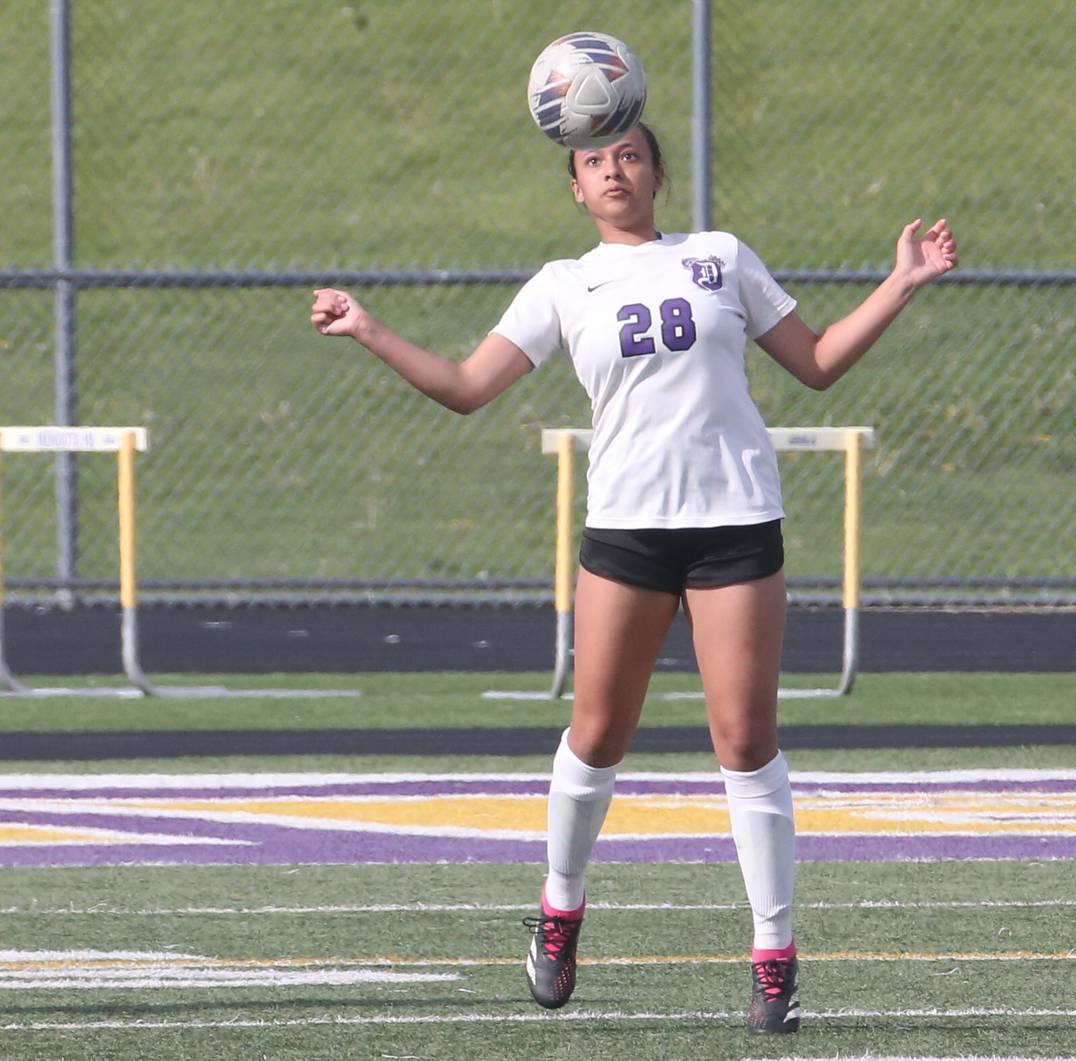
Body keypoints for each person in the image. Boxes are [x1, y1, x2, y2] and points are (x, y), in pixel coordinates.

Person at [310, 122, 956, 1035]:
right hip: (628, 533)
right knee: (597, 733)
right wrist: (367, 327)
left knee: (745, 741)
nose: (613, 171)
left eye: (628, 156)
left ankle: (775, 958)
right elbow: (464, 386)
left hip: (734, 525)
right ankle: (560, 908)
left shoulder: (720, 257)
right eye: (593, 162)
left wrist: (902, 280)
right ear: (575, 188)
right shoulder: (564, 284)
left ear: (657, 172)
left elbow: (814, 364)